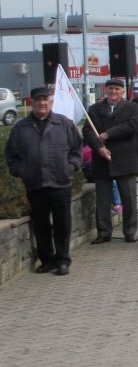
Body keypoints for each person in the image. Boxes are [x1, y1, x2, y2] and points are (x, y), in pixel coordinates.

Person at [5, 87, 83, 276]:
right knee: (40, 224)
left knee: (62, 223)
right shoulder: (21, 128)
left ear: (51, 102)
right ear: (31, 103)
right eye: (38, 100)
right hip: (35, 184)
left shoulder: (64, 124)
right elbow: (11, 156)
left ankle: (63, 260)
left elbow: (77, 150)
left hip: (60, 182)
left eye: (45, 100)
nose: (42, 103)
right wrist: (22, 171)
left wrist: (70, 167)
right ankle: (47, 260)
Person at [83, 79, 138, 244]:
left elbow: (133, 126)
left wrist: (108, 134)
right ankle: (104, 232)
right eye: (110, 88)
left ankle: (130, 231)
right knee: (103, 200)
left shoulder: (132, 107)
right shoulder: (94, 109)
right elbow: (87, 130)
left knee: (128, 198)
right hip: (101, 160)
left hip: (124, 160)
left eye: (117, 89)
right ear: (105, 90)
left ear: (123, 91)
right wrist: (98, 148)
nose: (113, 91)